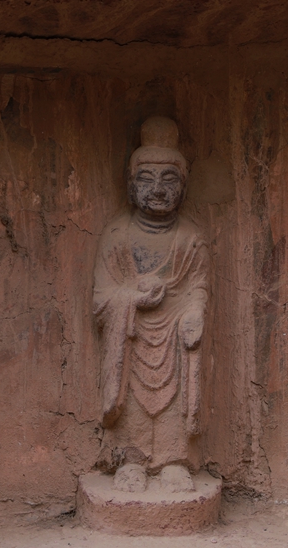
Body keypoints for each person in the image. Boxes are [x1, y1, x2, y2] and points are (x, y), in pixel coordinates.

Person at [93, 117, 209, 493]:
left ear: (183, 186)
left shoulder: (191, 237)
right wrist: (131, 299)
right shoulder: (116, 236)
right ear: (131, 185)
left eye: (169, 180)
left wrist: (194, 314)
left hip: (174, 334)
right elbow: (101, 299)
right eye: (146, 179)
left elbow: (198, 288)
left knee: (174, 398)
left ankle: (174, 461)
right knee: (133, 397)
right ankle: (131, 459)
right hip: (132, 334)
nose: (157, 189)